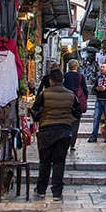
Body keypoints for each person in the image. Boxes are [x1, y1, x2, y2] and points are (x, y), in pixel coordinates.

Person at [30, 68, 81, 201]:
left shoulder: (44, 94)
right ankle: (57, 193)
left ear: (51, 81)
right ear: (62, 80)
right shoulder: (71, 95)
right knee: (59, 163)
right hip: (64, 131)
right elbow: (77, 112)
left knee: (45, 162)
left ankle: (41, 190)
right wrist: (69, 120)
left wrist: (42, 118)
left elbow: (35, 111)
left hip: (46, 130)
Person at [88, 63, 106, 143]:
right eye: (101, 67)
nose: (102, 68)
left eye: (104, 67)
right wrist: (97, 88)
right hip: (99, 100)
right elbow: (93, 88)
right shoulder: (98, 77)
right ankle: (94, 136)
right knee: (96, 118)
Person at [63, 59, 88, 152]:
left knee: (66, 123)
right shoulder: (81, 76)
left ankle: (65, 142)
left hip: (66, 102)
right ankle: (72, 144)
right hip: (77, 103)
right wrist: (84, 99)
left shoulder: (65, 76)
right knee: (75, 124)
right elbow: (85, 90)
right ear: (77, 66)